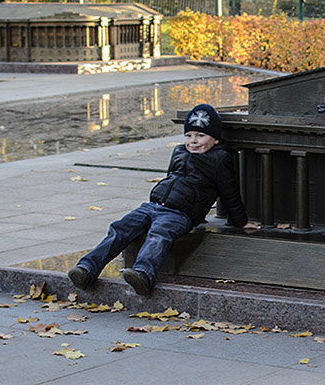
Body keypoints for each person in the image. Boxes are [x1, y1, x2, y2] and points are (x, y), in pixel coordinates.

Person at [69, 104, 259, 296]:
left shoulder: (219, 159)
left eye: (201, 136)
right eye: (189, 135)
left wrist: (240, 221)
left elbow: (229, 192)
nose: (193, 141)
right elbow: (171, 176)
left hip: (180, 214)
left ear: (215, 139)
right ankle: (86, 269)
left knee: (158, 234)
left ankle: (143, 274)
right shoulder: (178, 151)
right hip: (153, 206)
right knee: (120, 228)